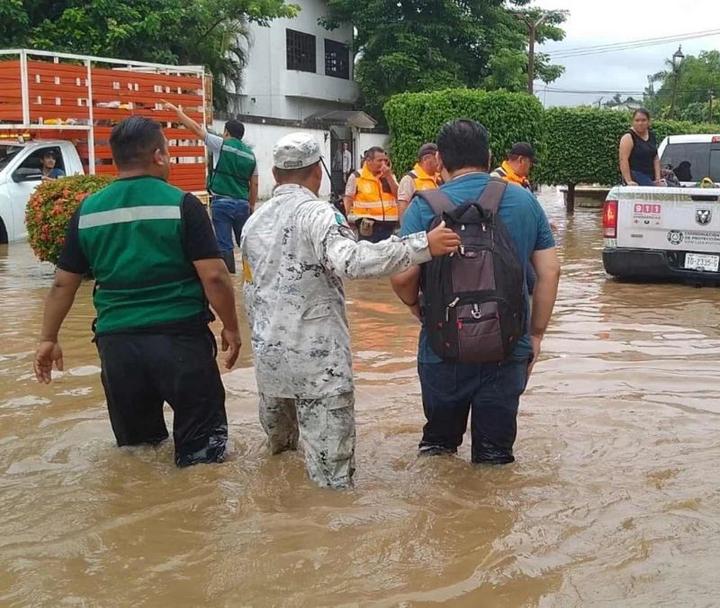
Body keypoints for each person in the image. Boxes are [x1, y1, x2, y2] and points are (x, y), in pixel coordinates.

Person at [241, 133, 460, 489]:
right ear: (318, 172)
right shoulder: (318, 214)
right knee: (333, 482)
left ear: (275, 174)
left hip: (270, 362)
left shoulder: (254, 221)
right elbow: (352, 261)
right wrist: (423, 245)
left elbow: (251, 290)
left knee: (279, 463)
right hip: (319, 367)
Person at [33, 116, 241, 467]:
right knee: (203, 458)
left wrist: (48, 338)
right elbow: (216, 277)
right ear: (158, 156)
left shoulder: (88, 211)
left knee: (138, 455)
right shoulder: (182, 205)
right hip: (180, 342)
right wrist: (232, 327)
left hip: (118, 347)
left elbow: (62, 283)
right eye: (168, 152)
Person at [391, 119, 560, 465]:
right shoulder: (524, 201)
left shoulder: (423, 207)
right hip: (508, 348)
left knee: (437, 451)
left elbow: (402, 277)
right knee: (495, 459)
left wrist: (414, 306)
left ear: (439, 159)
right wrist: (536, 335)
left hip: (441, 349)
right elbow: (550, 272)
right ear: (489, 156)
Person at [165, 102, 258, 273]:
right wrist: (251, 205)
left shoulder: (221, 144)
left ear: (226, 132)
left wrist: (178, 113)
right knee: (246, 242)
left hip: (221, 203)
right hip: (242, 204)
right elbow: (255, 183)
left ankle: (230, 278)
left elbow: (196, 129)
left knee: (224, 244)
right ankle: (250, 276)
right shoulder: (250, 155)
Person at [345, 146, 399, 242]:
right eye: (379, 161)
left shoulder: (389, 175)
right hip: (368, 226)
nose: (383, 164)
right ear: (369, 161)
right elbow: (348, 199)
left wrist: (389, 177)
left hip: (390, 224)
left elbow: (399, 195)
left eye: (385, 160)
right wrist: (346, 222)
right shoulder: (357, 177)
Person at [397, 142, 443, 218]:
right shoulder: (410, 179)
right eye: (437, 158)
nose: (440, 161)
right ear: (426, 159)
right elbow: (403, 209)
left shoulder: (439, 178)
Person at [619, 109, 661, 186]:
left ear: (649, 121)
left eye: (643, 120)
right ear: (632, 122)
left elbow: (655, 158)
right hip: (635, 174)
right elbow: (623, 160)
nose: (640, 123)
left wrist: (658, 179)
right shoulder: (628, 137)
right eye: (637, 120)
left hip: (650, 175)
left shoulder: (652, 136)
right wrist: (628, 181)